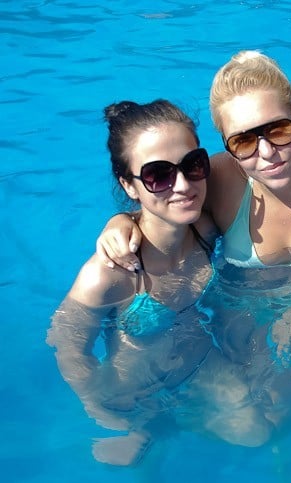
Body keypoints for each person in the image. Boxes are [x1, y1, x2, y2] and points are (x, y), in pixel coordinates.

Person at [94, 50, 291, 413]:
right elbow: (165, 205)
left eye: (278, 130)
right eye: (244, 141)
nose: (267, 152)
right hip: (244, 310)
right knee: (262, 413)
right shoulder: (218, 180)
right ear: (228, 147)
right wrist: (122, 220)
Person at [47, 99, 272, 466]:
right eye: (158, 175)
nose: (182, 185)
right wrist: (107, 417)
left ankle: (175, 425)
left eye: (192, 165)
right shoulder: (108, 274)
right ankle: (160, 429)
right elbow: (67, 348)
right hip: (138, 394)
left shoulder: (205, 230)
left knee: (256, 433)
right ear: (129, 185)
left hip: (201, 364)